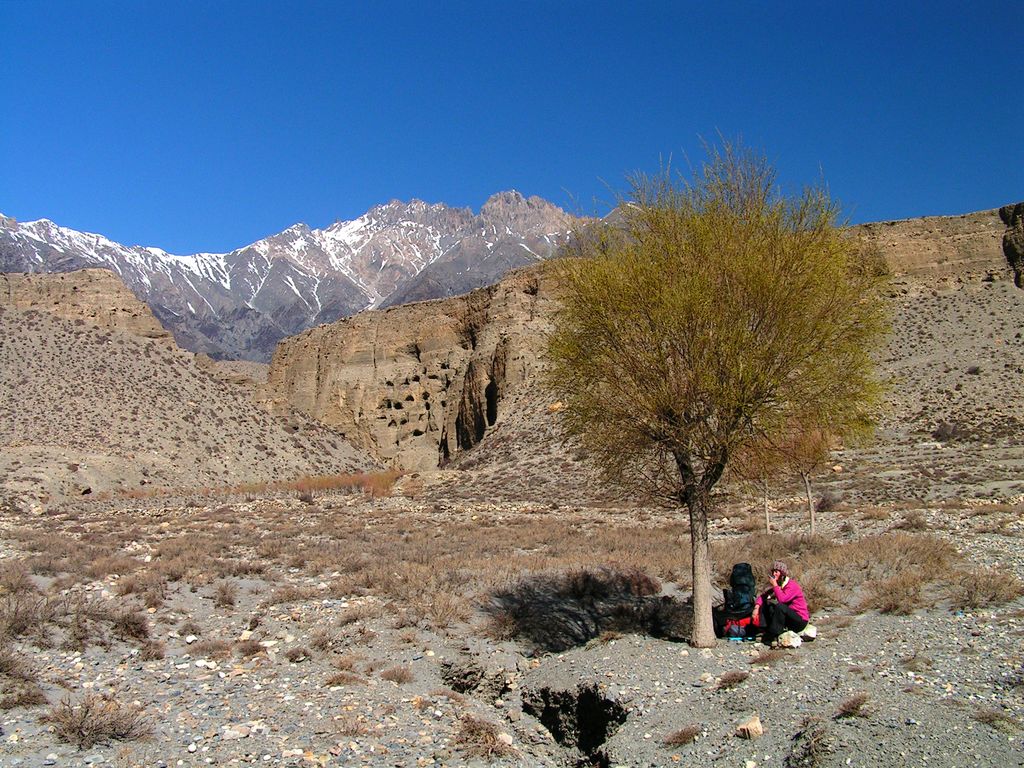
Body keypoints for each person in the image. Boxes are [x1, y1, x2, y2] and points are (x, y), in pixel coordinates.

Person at [752, 560, 809, 646]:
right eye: (773, 572)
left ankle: (773, 635)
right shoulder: (779, 586)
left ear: (782, 573)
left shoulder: (792, 585)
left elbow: (782, 599)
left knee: (780, 607)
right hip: (789, 619)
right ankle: (762, 630)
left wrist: (775, 585)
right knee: (768, 604)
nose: (774, 574)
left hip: (799, 620)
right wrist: (756, 607)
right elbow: (763, 596)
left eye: (776, 572)